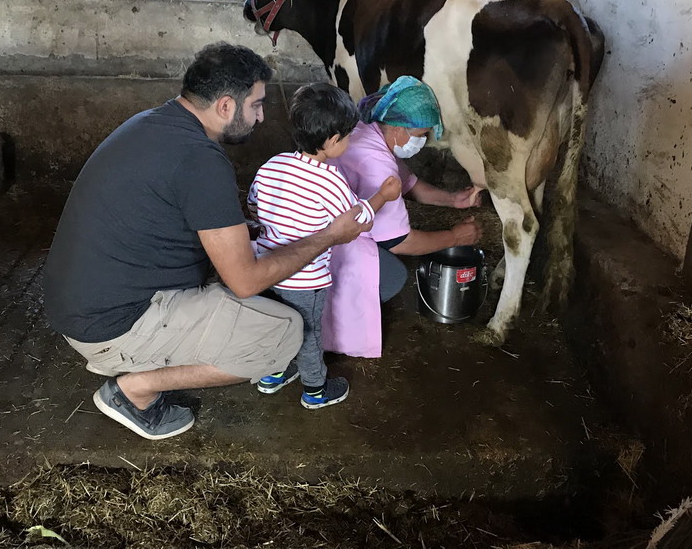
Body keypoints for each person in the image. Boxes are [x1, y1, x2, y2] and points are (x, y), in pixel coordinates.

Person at [42, 43, 370, 441]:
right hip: (113, 325)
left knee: (237, 279)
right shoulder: (201, 160)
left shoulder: (152, 123)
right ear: (226, 106)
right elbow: (245, 281)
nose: (261, 117)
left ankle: (127, 358)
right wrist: (330, 235)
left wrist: (245, 229)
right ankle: (135, 389)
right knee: (284, 333)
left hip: (79, 307)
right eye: (256, 105)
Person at [247, 83, 402, 410]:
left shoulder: (272, 165)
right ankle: (315, 390)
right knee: (309, 333)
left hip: (268, 270)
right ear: (332, 141)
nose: (350, 140)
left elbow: (253, 206)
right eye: (347, 135)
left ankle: (272, 375)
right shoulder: (329, 180)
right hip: (306, 280)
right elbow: (358, 221)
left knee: (276, 325)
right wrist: (383, 196)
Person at [322, 75, 483, 358]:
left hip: (320, 224)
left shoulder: (368, 130)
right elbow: (400, 241)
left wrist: (452, 200)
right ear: (397, 129)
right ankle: (331, 313)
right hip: (330, 241)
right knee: (393, 276)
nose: (422, 142)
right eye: (420, 134)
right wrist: (456, 237)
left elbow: (409, 183)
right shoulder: (377, 164)